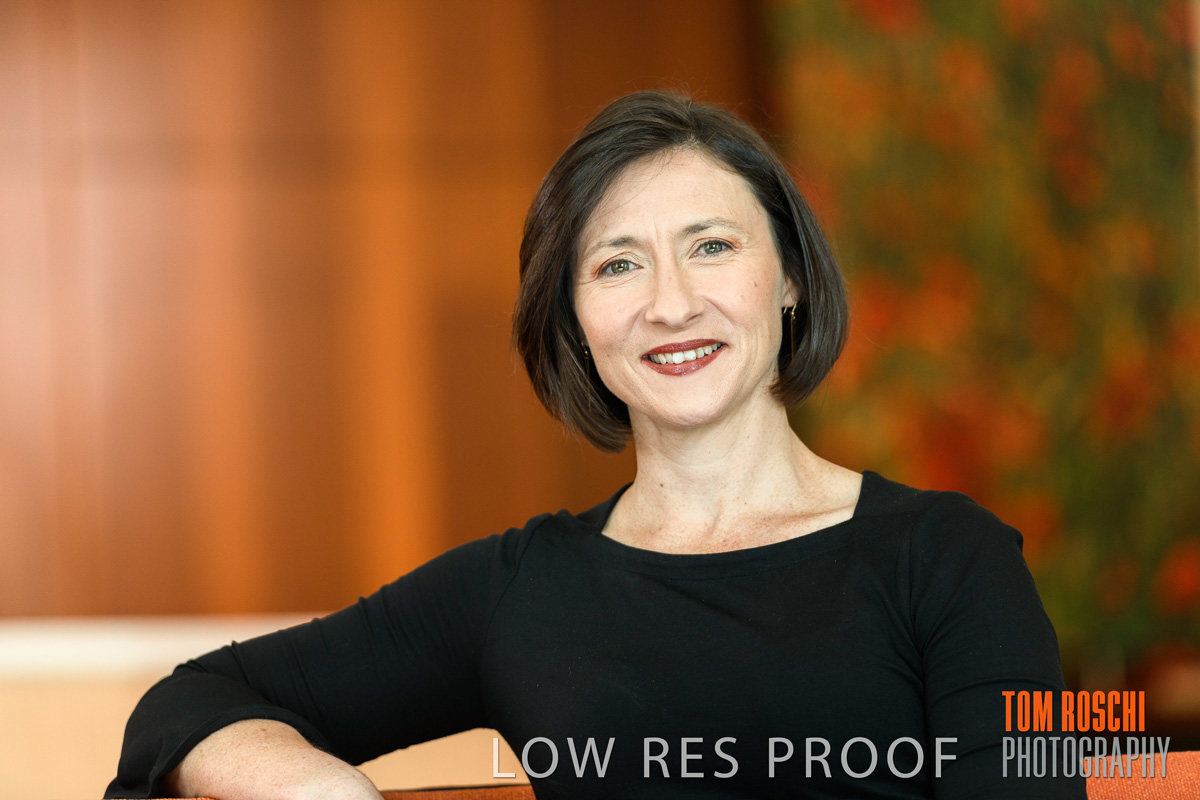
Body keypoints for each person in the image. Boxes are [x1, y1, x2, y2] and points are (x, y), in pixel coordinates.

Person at [107, 91, 1082, 799]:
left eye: (711, 245)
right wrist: (324, 789)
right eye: (618, 264)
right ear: (575, 320)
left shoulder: (954, 557)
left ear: (789, 276)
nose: (671, 303)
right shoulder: (519, 589)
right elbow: (190, 701)